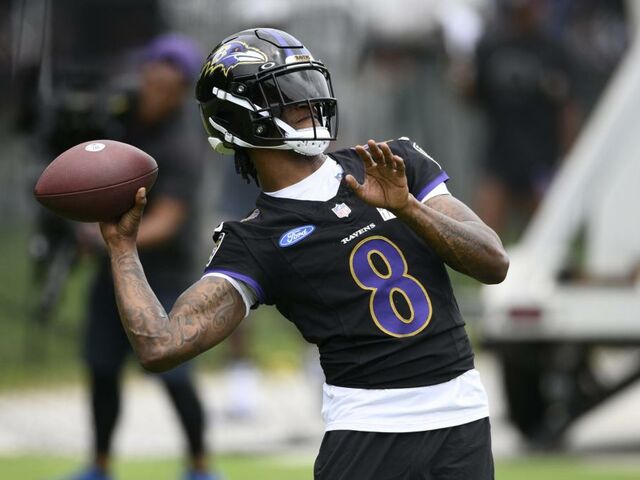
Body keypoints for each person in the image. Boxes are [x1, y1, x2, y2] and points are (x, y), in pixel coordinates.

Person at [98, 28, 509, 479]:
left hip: (462, 421)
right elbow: (160, 346)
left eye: (308, 85)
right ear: (240, 117)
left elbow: (493, 262)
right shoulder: (255, 239)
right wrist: (122, 248)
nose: (309, 102)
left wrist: (409, 208)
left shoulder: (392, 163)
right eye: (288, 93)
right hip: (368, 433)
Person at [70, 34, 219, 480]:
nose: (153, 90)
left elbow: (167, 220)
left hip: (165, 274)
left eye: (164, 85)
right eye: (150, 79)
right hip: (114, 271)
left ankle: (200, 467)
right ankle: (99, 466)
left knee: (173, 373)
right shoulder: (119, 120)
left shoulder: (181, 143)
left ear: (179, 91)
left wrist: (109, 241)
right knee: (101, 367)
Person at [471, 0, 578, 239]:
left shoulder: (553, 50)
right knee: (482, 236)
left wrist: (569, 155)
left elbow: (567, 108)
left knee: (542, 236)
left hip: (540, 156)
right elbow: (475, 95)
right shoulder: (491, 46)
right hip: (500, 154)